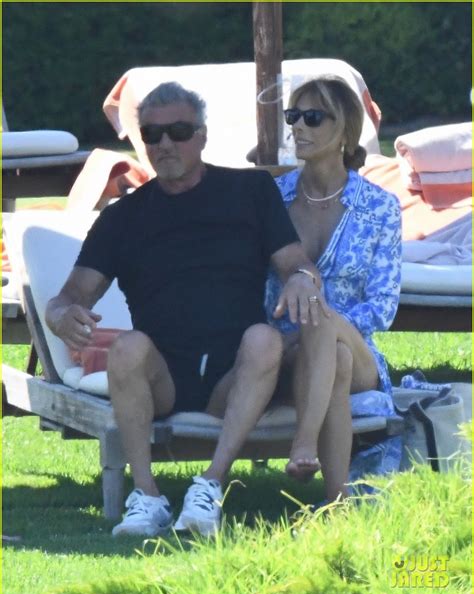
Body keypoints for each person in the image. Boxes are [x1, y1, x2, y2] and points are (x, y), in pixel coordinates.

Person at [46, 81, 324, 537]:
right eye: (152, 135)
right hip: (164, 379)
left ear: (202, 135)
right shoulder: (122, 217)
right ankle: (147, 495)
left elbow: (296, 262)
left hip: (233, 372)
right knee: (128, 346)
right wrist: (60, 316)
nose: (165, 144)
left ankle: (211, 484)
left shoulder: (250, 190)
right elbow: (73, 293)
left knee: (264, 337)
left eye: (177, 131)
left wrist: (302, 280)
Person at [265, 74, 402, 502]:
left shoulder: (380, 207)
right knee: (333, 359)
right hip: (288, 352)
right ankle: (336, 498)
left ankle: (304, 444)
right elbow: (252, 284)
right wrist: (288, 335)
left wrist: (314, 324)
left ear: (344, 130)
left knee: (323, 322)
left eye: (312, 117)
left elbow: (381, 307)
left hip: (359, 350)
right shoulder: (273, 198)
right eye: (293, 116)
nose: (298, 128)